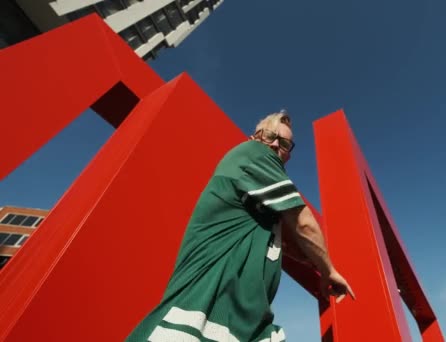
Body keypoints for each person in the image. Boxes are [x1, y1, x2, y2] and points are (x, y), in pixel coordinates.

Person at [127, 111, 354, 342]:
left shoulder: (262, 207)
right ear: (253, 138)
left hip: (246, 323)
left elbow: (292, 244)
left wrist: (312, 257)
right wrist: (329, 271)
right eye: (269, 135)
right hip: (202, 310)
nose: (275, 145)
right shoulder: (253, 154)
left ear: (289, 155)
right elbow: (303, 223)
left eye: (284, 143)